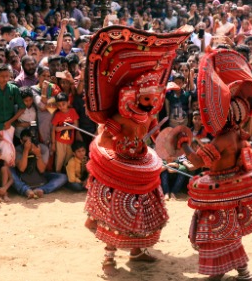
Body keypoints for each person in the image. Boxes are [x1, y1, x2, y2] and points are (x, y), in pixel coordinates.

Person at [83, 26, 190, 277]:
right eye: (146, 99)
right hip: (118, 167)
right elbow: (105, 139)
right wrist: (120, 146)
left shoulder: (150, 115)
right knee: (114, 211)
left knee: (143, 209)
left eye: (153, 100)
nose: (151, 103)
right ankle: (109, 255)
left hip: (141, 165)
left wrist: (172, 147)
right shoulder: (119, 116)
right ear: (134, 96)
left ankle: (137, 250)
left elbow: (156, 137)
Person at [175, 49, 252, 281]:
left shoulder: (224, 138)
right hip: (229, 186)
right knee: (228, 231)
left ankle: (219, 273)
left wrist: (184, 144)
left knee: (216, 231)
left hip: (220, 189)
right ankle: (243, 272)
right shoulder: (238, 132)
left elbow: (196, 162)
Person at [0, 64, 26, 167]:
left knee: (8, 152)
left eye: (7, 76)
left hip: (9, 127)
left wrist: (10, 121)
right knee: (0, 153)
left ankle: (9, 173)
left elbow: (22, 107)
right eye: (2, 76)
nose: (5, 78)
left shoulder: (13, 89)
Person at [12, 128, 67, 199]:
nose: (29, 143)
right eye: (25, 141)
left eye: (31, 141)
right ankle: (25, 190)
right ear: (21, 141)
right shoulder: (18, 149)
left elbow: (42, 170)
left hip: (40, 178)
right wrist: (26, 150)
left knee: (63, 177)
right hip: (23, 179)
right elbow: (22, 168)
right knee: (9, 170)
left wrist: (38, 154)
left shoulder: (43, 148)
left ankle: (42, 189)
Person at [50, 92, 80, 173]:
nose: (61, 107)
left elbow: (76, 126)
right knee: (59, 158)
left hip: (70, 141)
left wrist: (62, 128)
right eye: (59, 105)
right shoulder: (57, 114)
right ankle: (57, 175)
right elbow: (53, 129)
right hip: (59, 141)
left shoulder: (72, 111)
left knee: (68, 158)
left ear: (68, 102)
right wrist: (53, 144)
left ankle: (66, 175)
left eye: (63, 104)